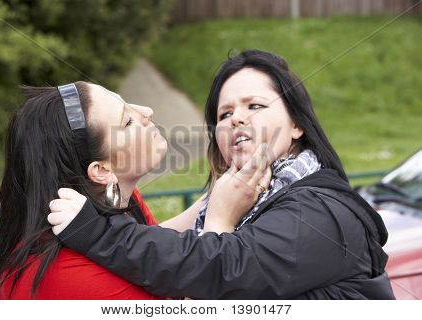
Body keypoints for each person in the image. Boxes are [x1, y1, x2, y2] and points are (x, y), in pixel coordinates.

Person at [48, 50, 395, 299]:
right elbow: (169, 247)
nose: (237, 119)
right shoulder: (249, 198)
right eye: (225, 113)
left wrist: (96, 232)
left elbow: (219, 278)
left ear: (297, 125)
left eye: (255, 106)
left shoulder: (320, 211)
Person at [0, 81, 271, 299]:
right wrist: (220, 221)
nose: (147, 111)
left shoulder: (116, 198)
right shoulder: (66, 276)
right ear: (101, 170)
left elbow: (152, 250)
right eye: (128, 121)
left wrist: (218, 196)